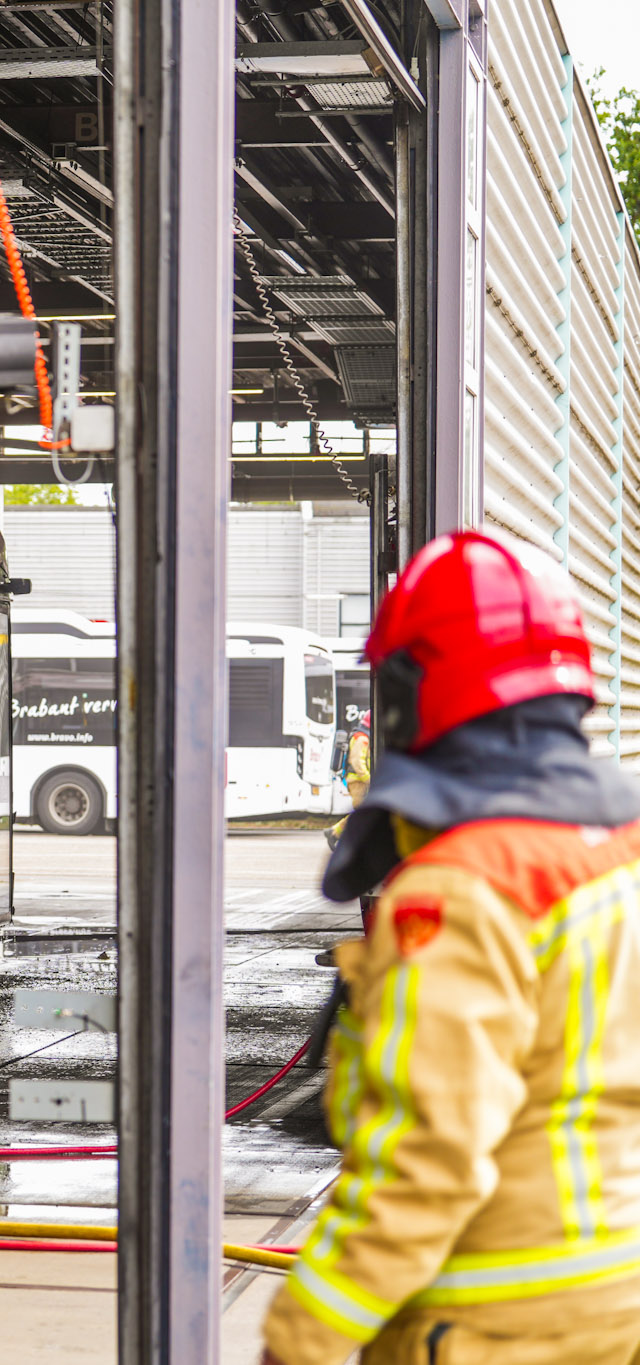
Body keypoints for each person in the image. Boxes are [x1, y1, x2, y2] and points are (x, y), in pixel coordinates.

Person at [261, 529, 640, 1365]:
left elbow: (428, 1165)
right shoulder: (620, 841)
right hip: (613, 1297)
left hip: (490, 1320)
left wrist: (300, 1339)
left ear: (410, 691)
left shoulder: (460, 886)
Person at [325, 709, 372, 850]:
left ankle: (334, 832)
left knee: (361, 812)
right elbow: (357, 762)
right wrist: (369, 779)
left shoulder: (362, 737)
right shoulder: (362, 739)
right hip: (358, 781)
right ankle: (336, 834)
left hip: (358, 780)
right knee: (362, 813)